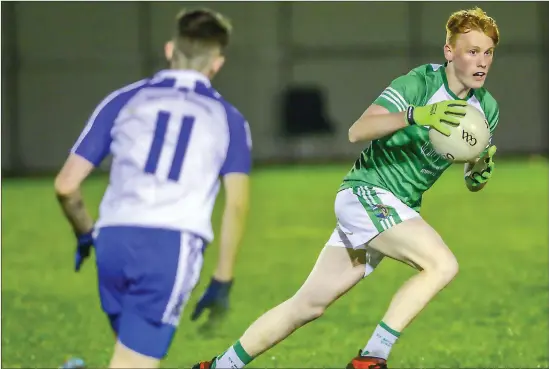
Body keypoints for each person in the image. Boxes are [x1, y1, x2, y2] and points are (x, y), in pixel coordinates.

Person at [192, 6, 499, 369]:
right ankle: (372, 357)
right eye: (472, 51)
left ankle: (219, 366)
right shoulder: (419, 85)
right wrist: (417, 115)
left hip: (397, 209)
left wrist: (477, 173)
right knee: (441, 264)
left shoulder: (486, 109)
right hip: (366, 193)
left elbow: (470, 173)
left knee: (307, 305)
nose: (482, 62)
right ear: (449, 51)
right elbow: (358, 130)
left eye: (488, 52)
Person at [54, 8, 252, 369]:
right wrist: (223, 277)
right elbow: (236, 205)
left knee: (127, 355)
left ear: (169, 49)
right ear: (217, 64)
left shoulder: (122, 100)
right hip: (170, 246)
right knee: (134, 362)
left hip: (112, 238)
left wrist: (85, 236)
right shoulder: (229, 120)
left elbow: (66, 186)